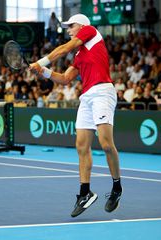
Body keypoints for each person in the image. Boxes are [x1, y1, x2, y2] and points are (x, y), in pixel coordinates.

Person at [30, 14, 122, 217]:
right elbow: (64, 79)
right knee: (81, 145)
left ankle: (116, 187)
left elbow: (64, 48)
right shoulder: (79, 55)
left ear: (82, 25)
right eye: (68, 27)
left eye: (71, 26)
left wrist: (40, 61)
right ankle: (85, 192)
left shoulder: (91, 31)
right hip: (87, 97)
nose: (69, 30)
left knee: (106, 144)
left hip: (103, 92)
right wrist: (44, 71)